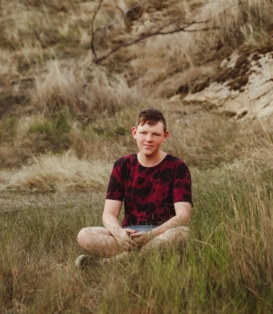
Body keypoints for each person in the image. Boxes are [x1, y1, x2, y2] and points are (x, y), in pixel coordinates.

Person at [75, 108, 193, 267]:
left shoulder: (178, 167)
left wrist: (150, 235)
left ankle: (107, 264)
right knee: (85, 234)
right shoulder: (122, 165)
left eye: (156, 134)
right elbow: (109, 214)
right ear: (134, 132)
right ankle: (147, 257)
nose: (148, 139)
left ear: (165, 136)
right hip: (129, 235)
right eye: (144, 133)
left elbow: (183, 216)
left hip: (161, 234)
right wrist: (120, 234)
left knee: (182, 233)